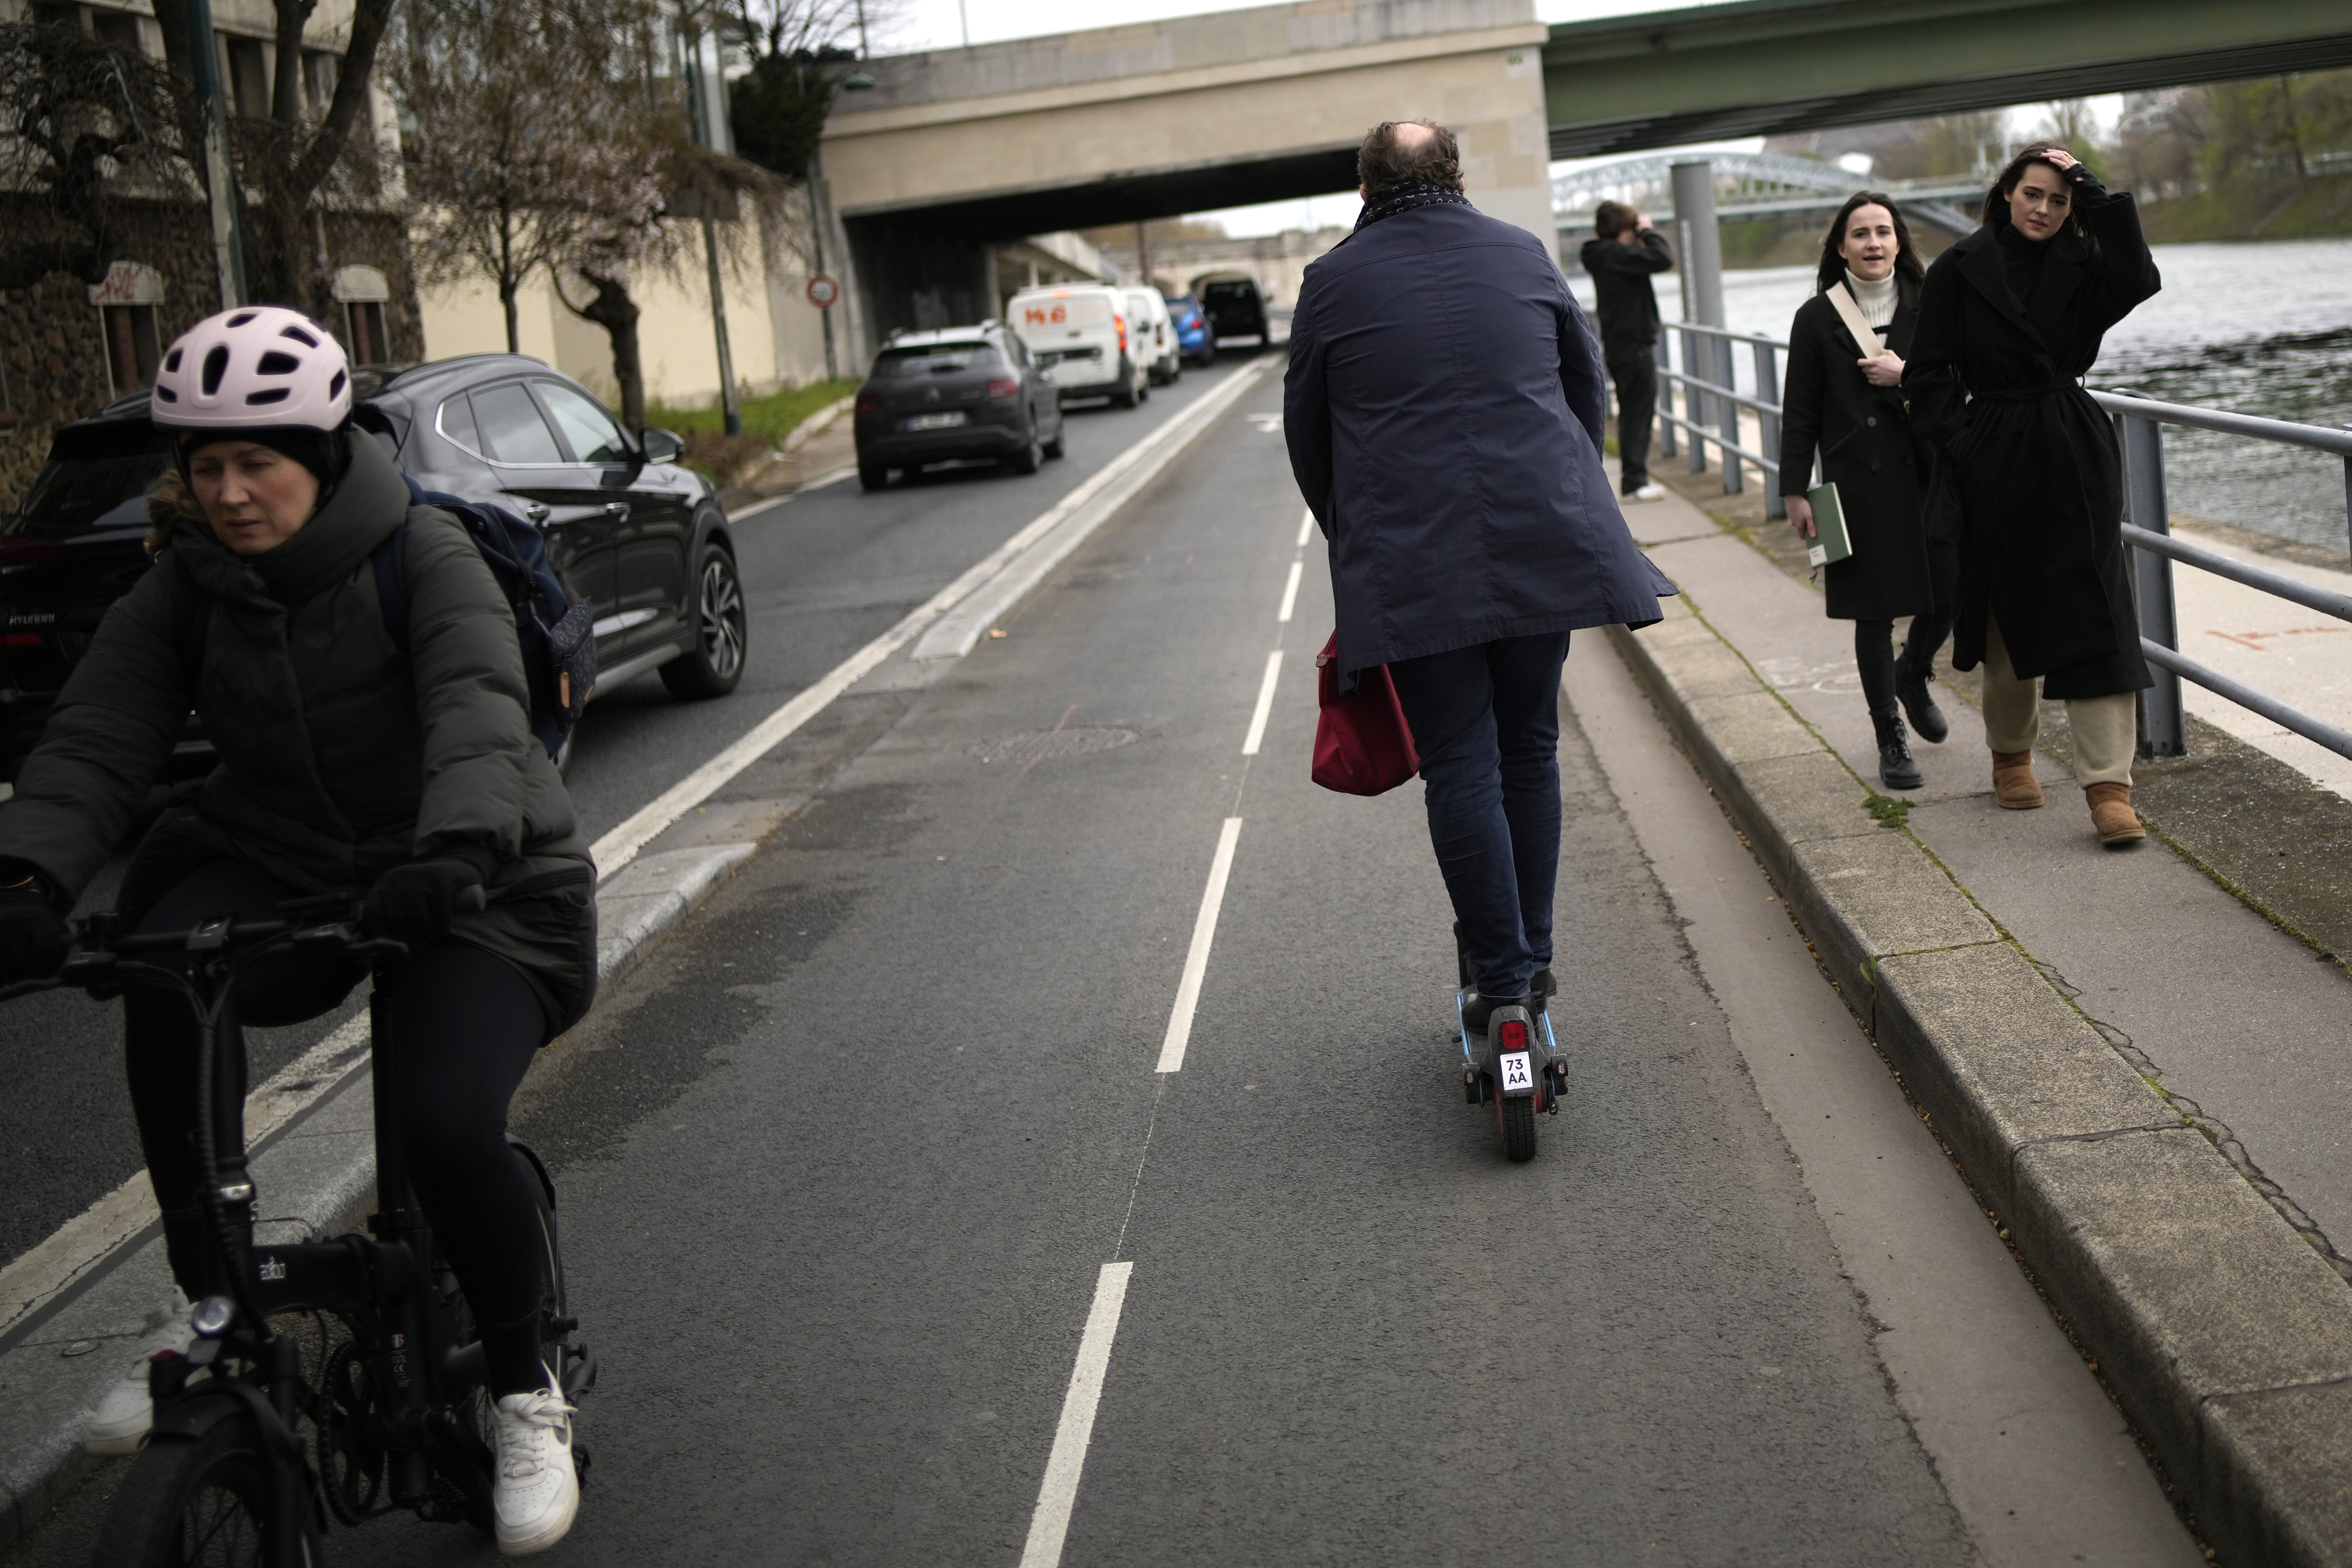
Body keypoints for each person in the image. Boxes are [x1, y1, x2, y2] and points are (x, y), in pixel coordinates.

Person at [0, 307, 597, 1554]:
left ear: (322, 457)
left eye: (253, 464)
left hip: (482, 882)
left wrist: (450, 851)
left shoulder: (423, 556)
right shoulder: (185, 592)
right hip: (295, 870)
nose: (225, 493)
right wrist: (32, 882)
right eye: (203, 468)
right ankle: (216, 1304)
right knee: (164, 981)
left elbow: (479, 705)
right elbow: (100, 738)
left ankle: (521, 1385)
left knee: (442, 1122)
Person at [1286, 120, 1672, 1036]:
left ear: (1365, 183)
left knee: (1458, 762)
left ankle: (1497, 981)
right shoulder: (1521, 253)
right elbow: (1587, 392)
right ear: (1455, 172)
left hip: (1416, 565)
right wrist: (1565, 484)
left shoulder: (1332, 283)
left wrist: (1357, 533)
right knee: (1529, 747)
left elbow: (1310, 439)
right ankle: (1532, 969)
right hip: (1542, 537)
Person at [1907, 144, 2162, 846]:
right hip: (1991, 444)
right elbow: (1925, 376)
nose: (2044, 210)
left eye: (2059, 199)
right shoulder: (1960, 269)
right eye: (2033, 195)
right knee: (2001, 615)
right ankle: (2011, 755)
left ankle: (2108, 786)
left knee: (2097, 607)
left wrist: (2092, 187)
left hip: (2072, 446)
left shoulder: (2085, 265)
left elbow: (2140, 277)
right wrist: (1963, 442)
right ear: (2007, 193)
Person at [1779, 193, 1954, 790]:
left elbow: (1966, 379)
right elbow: (1798, 411)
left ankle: (1915, 671)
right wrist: (1794, 490)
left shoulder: (1933, 303)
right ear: (1841, 247)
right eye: (1861, 233)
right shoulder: (1815, 317)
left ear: (1899, 241)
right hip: (1855, 487)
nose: (1874, 242)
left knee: (1952, 588)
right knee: (1872, 613)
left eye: (1883, 231)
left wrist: (1907, 374)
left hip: (1933, 474)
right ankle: (1889, 736)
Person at [1579, 201, 1674, 502]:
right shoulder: (1616, 255)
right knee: (1638, 413)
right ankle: (1635, 482)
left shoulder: (1606, 256)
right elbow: (1663, 258)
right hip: (1634, 346)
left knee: (1632, 412)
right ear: (1625, 228)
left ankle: (1634, 479)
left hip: (1621, 345)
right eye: (1633, 228)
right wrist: (1648, 232)